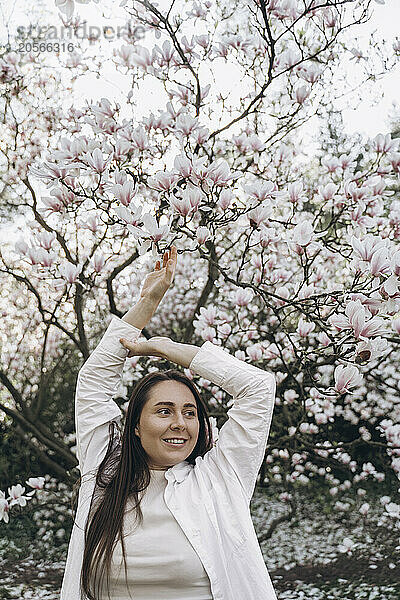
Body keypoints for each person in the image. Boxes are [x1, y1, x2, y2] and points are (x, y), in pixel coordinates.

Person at [60, 245, 278, 600]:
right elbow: (93, 383)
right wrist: (147, 303)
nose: (180, 423)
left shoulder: (221, 478)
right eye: (164, 411)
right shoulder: (102, 473)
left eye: (190, 413)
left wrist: (166, 348)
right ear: (134, 425)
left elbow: (257, 387)